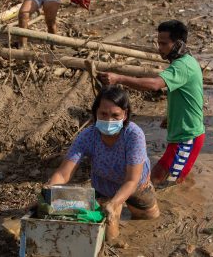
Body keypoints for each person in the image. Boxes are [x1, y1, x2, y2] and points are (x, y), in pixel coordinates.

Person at [46, 85, 160, 241]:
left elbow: (132, 180)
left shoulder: (134, 135)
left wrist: (116, 202)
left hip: (135, 186)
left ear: (125, 115)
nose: (109, 120)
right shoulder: (87, 136)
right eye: (103, 114)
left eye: (115, 115)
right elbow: (63, 173)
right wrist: (49, 189)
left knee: (149, 220)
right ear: (95, 113)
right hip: (104, 186)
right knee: (109, 236)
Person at [98, 20, 205, 185]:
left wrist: (119, 78)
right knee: (156, 180)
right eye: (158, 43)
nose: (159, 48)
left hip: (187, 138)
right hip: (182, 134)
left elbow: (155, 85)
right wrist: (170, 117)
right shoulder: (186, 62)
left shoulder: (182, 66)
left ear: (178, 44)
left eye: (164, 44)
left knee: (162, 184)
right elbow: (187, 96)